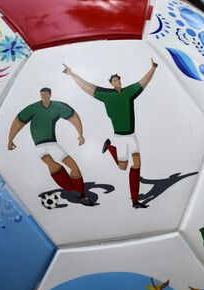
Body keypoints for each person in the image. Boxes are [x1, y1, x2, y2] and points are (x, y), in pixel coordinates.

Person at [62, 60, 157, 209]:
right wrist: (72, 75)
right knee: (122, 167)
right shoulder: (106, 95)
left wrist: (153, 68)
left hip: (131, 135)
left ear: (120, 81)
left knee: (137, 164)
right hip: (120, 137)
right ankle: (110, 147)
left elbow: (143, 82)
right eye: (113, 80)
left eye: (117, 79)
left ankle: (135, 201)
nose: (116, 81)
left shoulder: (129, 92)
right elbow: (87, 87)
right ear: (111, 83)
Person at [8, 87, 92, 205]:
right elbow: (19, 121)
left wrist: (80, 134)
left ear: (50, 95)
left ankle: (81, 194)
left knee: (73, 166)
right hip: (39, 145)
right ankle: (71, 190)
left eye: (45, 94)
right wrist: (10, 139)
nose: (43, 96)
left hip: (52, 143)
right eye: (41, 94)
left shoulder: (57, 106)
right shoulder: (33, 108)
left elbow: (73, 117)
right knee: (51, 164)